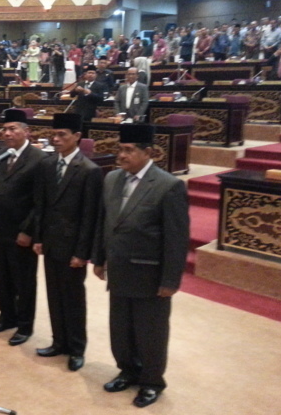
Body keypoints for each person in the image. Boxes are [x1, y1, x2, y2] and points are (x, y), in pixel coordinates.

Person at [92, 124, 189, 408]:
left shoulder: (168, 185)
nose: (121, 155)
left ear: (148, 152)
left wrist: (170, 280)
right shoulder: (112, 179)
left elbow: (176, 238)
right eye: (119, 149)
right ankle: (128, 371)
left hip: (149, 274)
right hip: (119, 269)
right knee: (120, 330)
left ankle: (151, 382)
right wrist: (99, 258)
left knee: (150, 333)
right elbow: (104, 222)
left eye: (128, 150)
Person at [33, 113, 103, 372]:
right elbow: (41, 205)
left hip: (72, 247)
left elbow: (89, 216)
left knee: (73, 298)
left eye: (62, 134)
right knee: (54, 294)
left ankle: (76, 348)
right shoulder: (47, 164)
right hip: (51, 242)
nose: (56, 139)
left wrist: (82, 253)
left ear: (77, 137)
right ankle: (58, 341)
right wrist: (38, 237)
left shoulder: (89, 170)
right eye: (54, 134)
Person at [0, 109, 45, 345]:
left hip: (21, 232)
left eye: (12, 129)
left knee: (23, 281)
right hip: (0, 229)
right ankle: (7, 317)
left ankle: (25, 326)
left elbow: (39, 202)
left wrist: (27, 231)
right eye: (5, 129)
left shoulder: (38, 159)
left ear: (26, 132)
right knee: (2, 277)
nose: (7, 134)